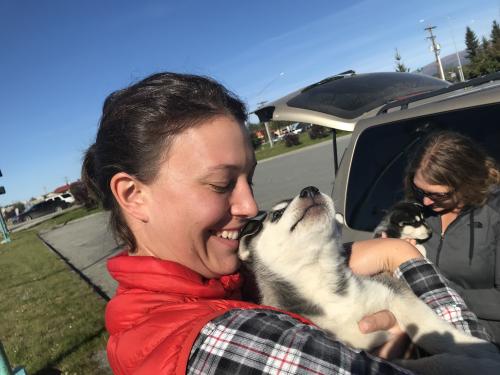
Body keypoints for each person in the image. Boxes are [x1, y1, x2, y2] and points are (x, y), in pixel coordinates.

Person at [82, 73, 490, 374]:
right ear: (134, 196)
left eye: (249, 178)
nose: (249, 205)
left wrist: (391, 250)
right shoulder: (221, 342)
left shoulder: (195, 296)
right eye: (220, 184)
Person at [404, 130, 500, 345]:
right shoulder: (417, 210)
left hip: (486, 347)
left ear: (466, 183)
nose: (427, 202)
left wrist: (439, 295)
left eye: (438, 195)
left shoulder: (495, 214)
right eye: (419, 190)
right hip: (432, 340)